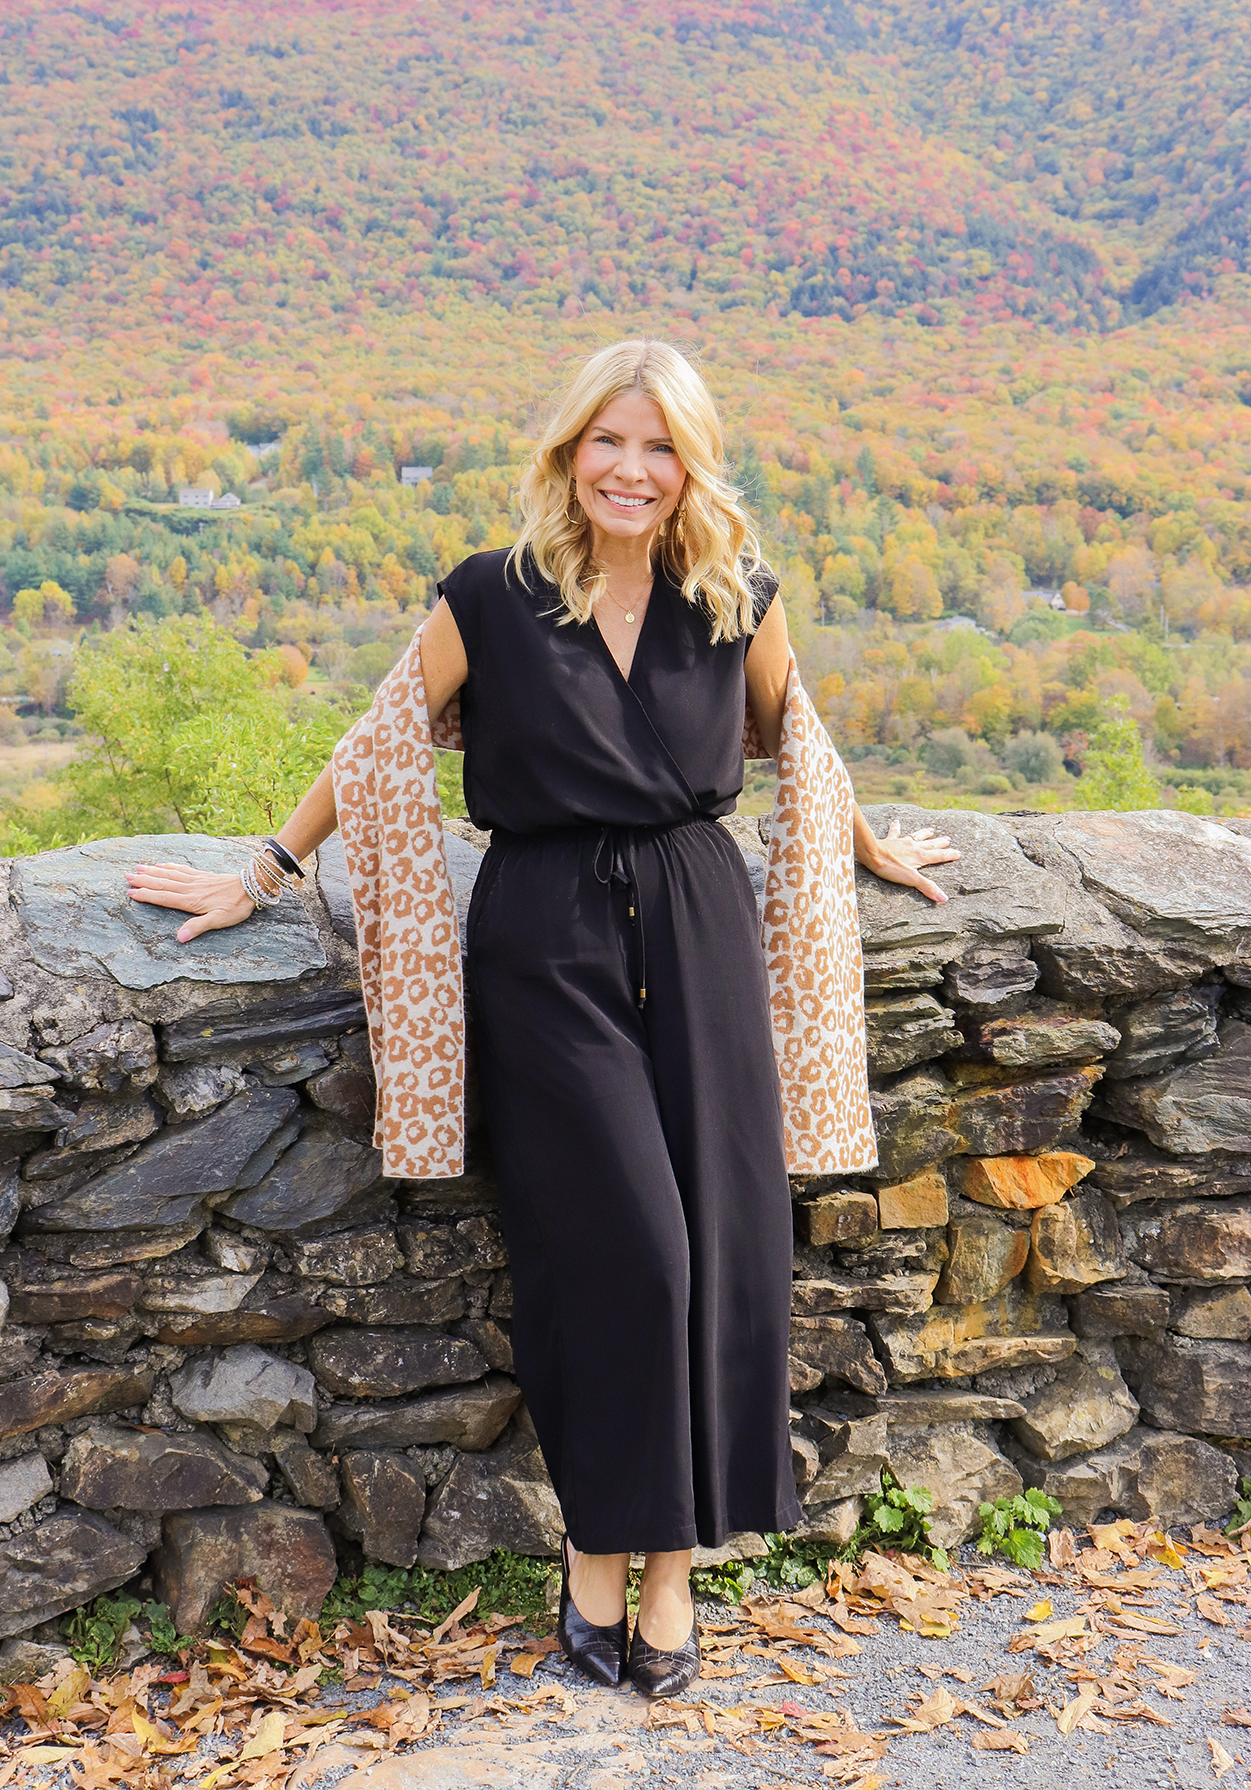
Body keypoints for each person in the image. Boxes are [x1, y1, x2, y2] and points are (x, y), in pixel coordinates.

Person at [127, 339, 958, 1699]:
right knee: (627, 1255)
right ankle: (595, 1548)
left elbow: (799, 742)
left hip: (698, 929)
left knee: (724, 1251)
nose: (631, 469)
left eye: (659, 446)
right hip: (546, 939)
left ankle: (672, 1568)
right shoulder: (492, 595)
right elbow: (378, 742)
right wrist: (262, 872)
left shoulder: (736, 596)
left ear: (691, 463)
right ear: (569, 453)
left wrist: (867, 845)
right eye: (607, 442)